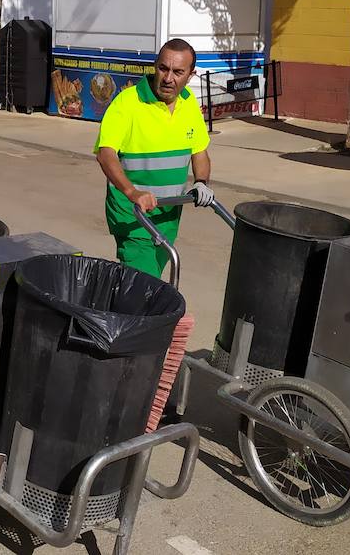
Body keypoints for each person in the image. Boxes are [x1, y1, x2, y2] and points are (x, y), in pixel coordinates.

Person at [94, 38, 214, 430]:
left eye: (178, 72)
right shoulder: (128, 102)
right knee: (145, 299)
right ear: (155, 65)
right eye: (163, 68)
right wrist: (132, 191)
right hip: (135, 217)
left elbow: (199, 148)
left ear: (190, 75)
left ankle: (128, 367)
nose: (168, 77)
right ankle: (134, 387)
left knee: (142, 293)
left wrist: (202, 181)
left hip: (168, 215)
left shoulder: (190, 105)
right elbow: (106, 152)